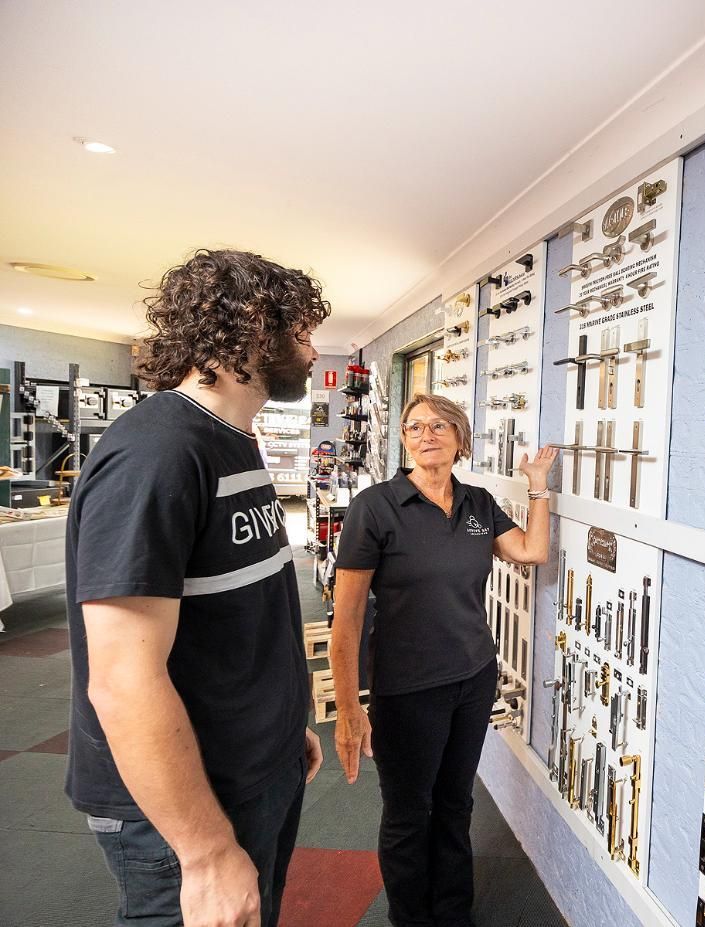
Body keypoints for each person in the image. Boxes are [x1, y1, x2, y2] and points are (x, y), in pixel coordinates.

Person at [66, 249, 329, 927]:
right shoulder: (157, 452)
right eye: (300, 331)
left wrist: (280, 721)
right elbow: (122, 678)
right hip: (181, 812)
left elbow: (240, 611)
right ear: (249, 327)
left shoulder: (233, 439)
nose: (312, 347)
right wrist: (207, 851)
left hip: (252, 769)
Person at [329, 393, 557, 927]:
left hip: (473, 679)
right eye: (414, 427)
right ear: (404, 439)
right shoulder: (376, 507)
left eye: (438, 425)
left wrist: (538, 487)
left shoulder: (477, 504)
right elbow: (348, 618)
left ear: (459, 437)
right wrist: (347, 707)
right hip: (407, 688)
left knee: (455, 804)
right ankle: (411, 918)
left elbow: (531, 551)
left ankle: (453, 913)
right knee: (409, 815)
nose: (425, 434)